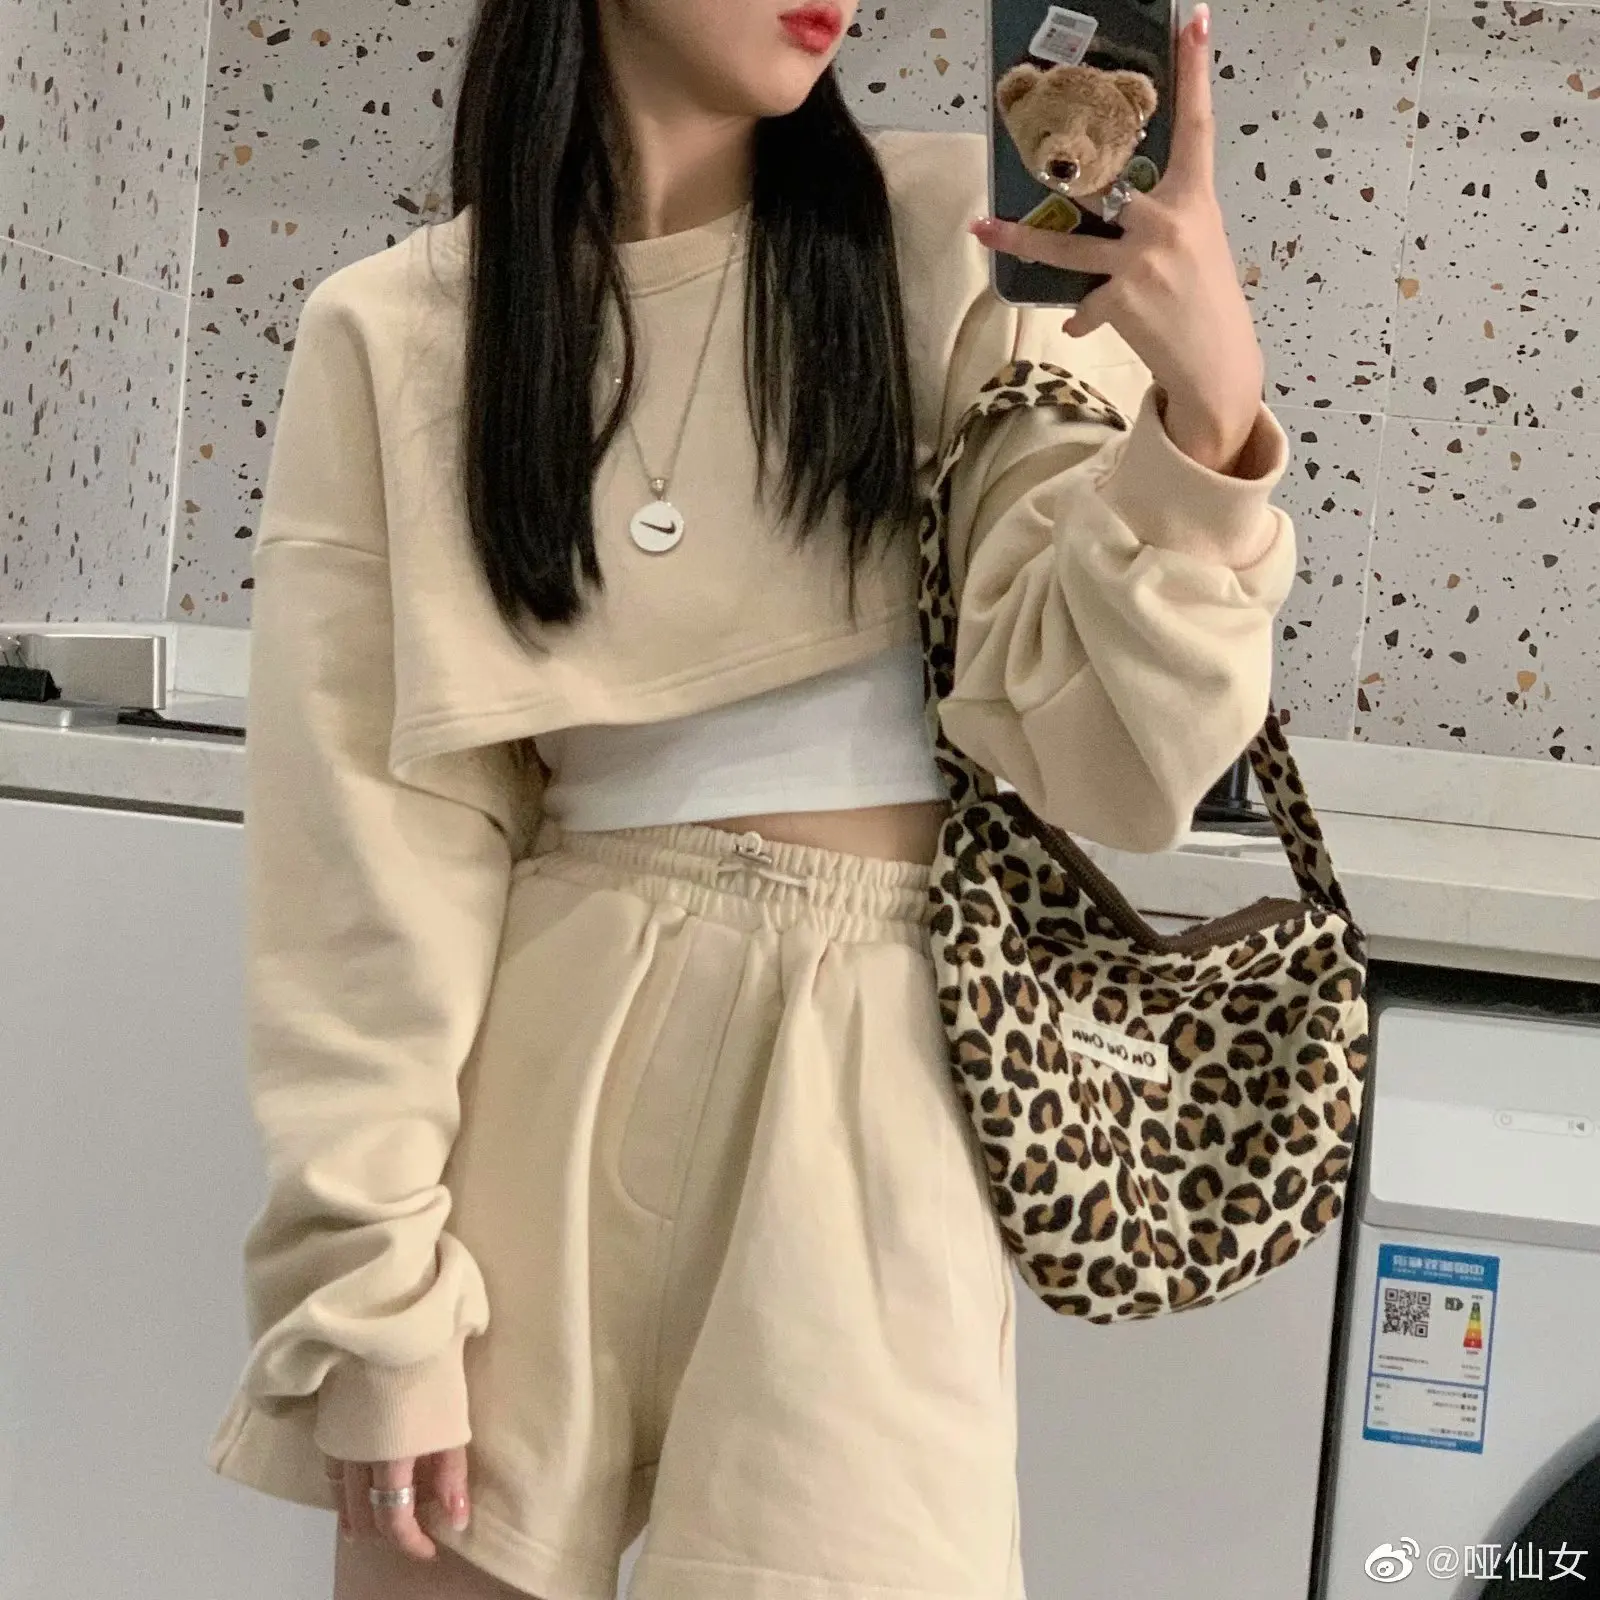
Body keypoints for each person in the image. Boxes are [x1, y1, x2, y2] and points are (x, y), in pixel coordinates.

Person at [205, 0, 1297, 1595]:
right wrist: (368, 1294)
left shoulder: (966, 246)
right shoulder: (405, 327)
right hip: (539, 1085)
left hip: (875, 1085)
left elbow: (1122, 762)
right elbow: (366, 862)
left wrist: (1207, 412)